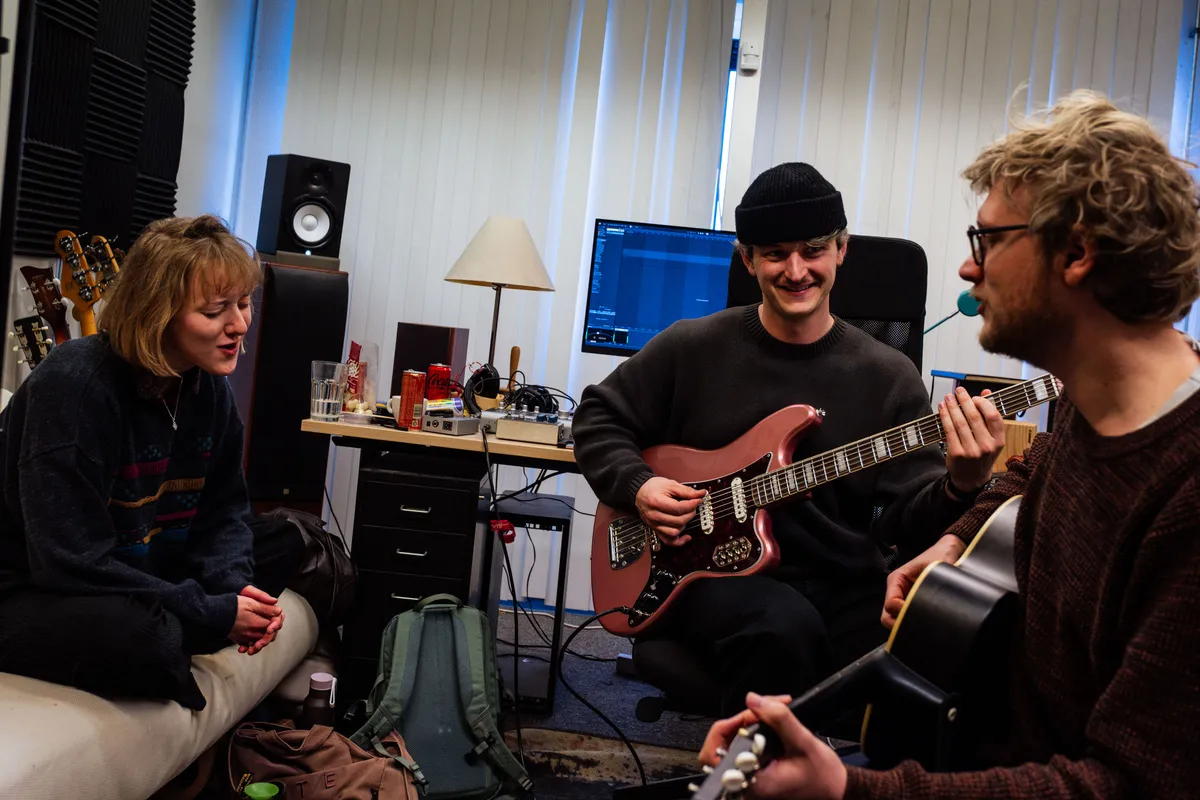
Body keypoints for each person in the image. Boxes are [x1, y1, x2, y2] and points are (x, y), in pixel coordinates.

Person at [700, 90, 1200, 798]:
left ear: (1077, 253)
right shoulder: (1089, 410)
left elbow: (1125, 784)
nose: (968, 269)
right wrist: (954, 541)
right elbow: (1030, 473)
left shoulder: (1186, 489)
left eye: (987, 241)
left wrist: (849, 790)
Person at [572, 162, 1004, 714]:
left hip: (841, 582)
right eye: (775, 253)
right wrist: (638, 486)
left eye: (813, 250)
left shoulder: (888, 377)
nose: (796, 271)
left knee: (942, 644)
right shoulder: (693, 347)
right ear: (747, 259)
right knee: (781, 629)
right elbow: (598, 416)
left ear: (841, 250)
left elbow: (909, 522)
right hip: (707, 574)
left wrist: (962, 485)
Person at [0, 215, 301, 711]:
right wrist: (209, 609)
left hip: (137, 561)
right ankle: (189, 624)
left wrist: (233, 587)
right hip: (34, 584)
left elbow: (223, 514)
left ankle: (200, 616)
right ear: (157, 312)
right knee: (149, 642)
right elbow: (68, 563)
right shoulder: (74, 386)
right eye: (215, 311)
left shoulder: (209, 389)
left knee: (295, 539)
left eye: (244, 303)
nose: (240, 325)